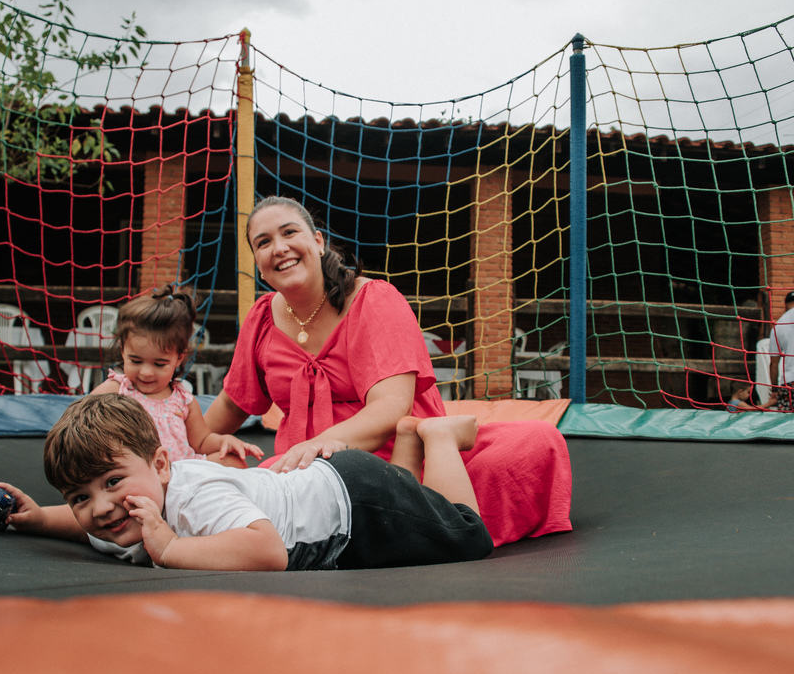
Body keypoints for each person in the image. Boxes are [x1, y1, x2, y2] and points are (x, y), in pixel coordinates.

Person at [201, 195, 572, 547]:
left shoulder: (374, 299)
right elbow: (231, 407)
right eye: (263, 243)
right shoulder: (262, 318)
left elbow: (390, 407)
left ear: (317, 241)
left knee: (538, 441)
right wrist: (167, 441)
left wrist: (316, 446)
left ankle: (437, 449)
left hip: (398, 461)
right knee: (225, 478)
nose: (278, 248)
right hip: (302, 469)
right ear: (258, 263)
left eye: (289, 233)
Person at [0, 393, 493, 571]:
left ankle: (438, 436)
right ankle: (405, 445)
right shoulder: (129, 514)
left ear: (163, 466)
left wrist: (169, 548)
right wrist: (36, 519)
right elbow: (83, 526)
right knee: (411, 513)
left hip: (356, 503)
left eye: (111, 482)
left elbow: (267, 552)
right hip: (333, 490)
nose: (101, 508)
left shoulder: (191, 498)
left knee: (469, 537)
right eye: (80, 496)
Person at [90, 285, 263, 467]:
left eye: (159, 364)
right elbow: (78, 423)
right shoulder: (117, 390)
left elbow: (201, 442)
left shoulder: (182, 399)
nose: (146, 372)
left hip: (181, 471)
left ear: (178, 358)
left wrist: (224, 441)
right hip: (138, 473)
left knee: (233, 462)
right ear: (122, 350)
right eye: (136, 361)